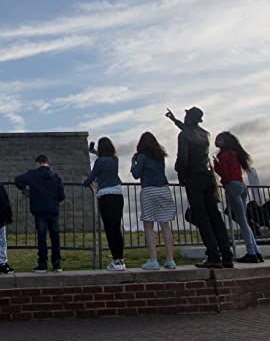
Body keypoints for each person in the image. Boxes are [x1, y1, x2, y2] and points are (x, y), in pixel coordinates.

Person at [169, 107, 234, 269]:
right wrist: (174, 120)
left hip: (194, 178)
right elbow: (188, 131)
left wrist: (180, 174)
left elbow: (182, 158)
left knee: (202, 217)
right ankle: (227, 256)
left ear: (190, 117)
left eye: (186, 115)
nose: (184, 118)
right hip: (208, 178)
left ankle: (213, 256)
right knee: (215, 217)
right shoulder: (205, 134)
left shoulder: (184, 135)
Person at [129, 132, 177, 270]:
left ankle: (153, 260)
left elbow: (136, 174)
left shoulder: (142, 157)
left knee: (149, 226)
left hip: (149, 190)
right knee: (165, 225)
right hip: (164, 189)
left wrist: (133, 163)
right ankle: (170, 260)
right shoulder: (160, 156)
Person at [213, 132, 263, 263]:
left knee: (241, 221)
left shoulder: (224, 156)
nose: (216, 141)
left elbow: (224, 173)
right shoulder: (235, 153)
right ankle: (256, 251)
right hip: (241, 185)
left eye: (219, 139)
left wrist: (215, 166)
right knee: (244, 220)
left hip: (232, 186)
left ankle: (251, 253)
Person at [15, 154, 65, 273]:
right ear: (47, 163)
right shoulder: (55, 176)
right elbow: (62, 195)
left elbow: (17, 180)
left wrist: (26, 191)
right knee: (55, 237)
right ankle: (57, 264)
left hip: (39, 211)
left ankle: (42, 264)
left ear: (37, 163)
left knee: (42, 237)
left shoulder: (32, 174)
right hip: (53, 210)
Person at [83, 138, 125, 271]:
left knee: (109, 228)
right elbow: (105, 158)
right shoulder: (115, 160)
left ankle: (115, 260)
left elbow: (93, 175)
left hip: (105, 196)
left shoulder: (99, 161)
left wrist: (85, 182)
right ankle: (120, 259)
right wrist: (94, 151)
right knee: (117, 228)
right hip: (118, 195)